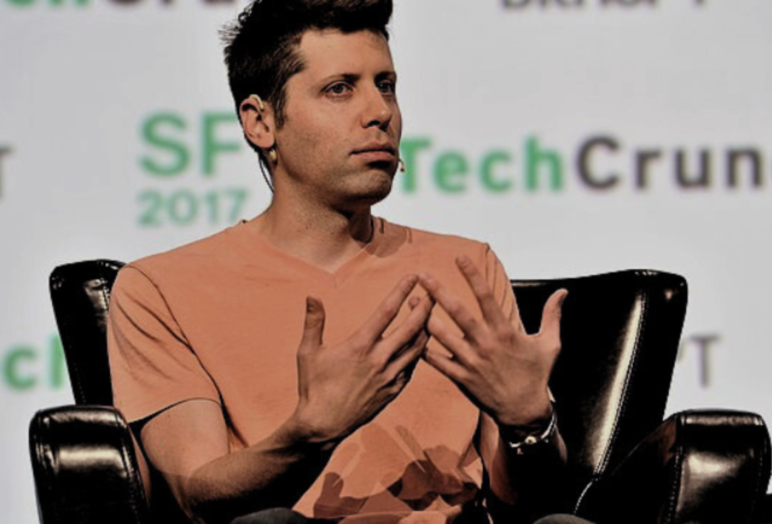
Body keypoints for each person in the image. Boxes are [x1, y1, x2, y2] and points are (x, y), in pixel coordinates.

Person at [105, 2, 581, 521]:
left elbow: (524, 504)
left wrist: (528, 423)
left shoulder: (466, 266)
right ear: (261, 122)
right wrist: (309, 435)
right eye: (339, 89)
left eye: (386, 86)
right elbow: (197, 497)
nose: (380, 112)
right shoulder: (162, 288)